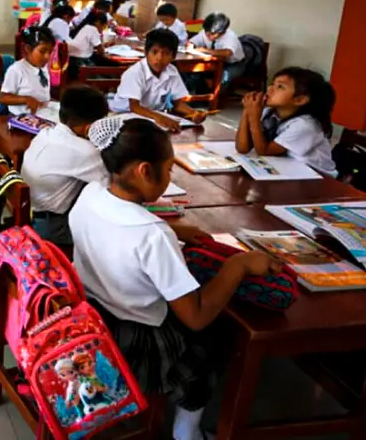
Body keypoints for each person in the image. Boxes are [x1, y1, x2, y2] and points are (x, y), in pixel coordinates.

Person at [71, 116, 281, 440]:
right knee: (217, 330)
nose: (169, 178)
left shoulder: (90, 194)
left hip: (96, 316)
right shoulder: (151, 236)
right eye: (168, 170)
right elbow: (195, 317)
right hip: (138, 342)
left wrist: (173, 229)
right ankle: (188, 429)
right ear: (144, 171)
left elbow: (121, 228)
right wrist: (237, 265)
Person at [20, 85, 109, 246]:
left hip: (32, 212)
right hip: (52, 228)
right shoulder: (85, 152)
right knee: (109, 235)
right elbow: (110, 184)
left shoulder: (46, 133)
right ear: (89, 127)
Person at [236, 67, 338, 176]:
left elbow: (264, 151)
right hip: (286, 168)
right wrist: (247, 111)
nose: (269, 89)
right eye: (272, 84)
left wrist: (254, 118)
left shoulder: (305, 125)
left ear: (299, 100)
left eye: (280, 87)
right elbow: (243, 148)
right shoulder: (269, 112)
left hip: (316, 177)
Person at [111, 28, 206, 132]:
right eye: (154, 52)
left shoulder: (172, 71)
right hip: (123, 116)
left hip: (150, 116)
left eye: (166, 53)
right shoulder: (135, 72)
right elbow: (134, 107)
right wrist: (159, 118)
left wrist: (193, 113)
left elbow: (177, 104)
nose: (159, 58)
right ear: (146, 53)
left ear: (173, 57)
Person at [0, 26, 55, 115]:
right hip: (21, 117)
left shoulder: (44, 68)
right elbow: (3, 98)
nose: (47, 56)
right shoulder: (16, 70)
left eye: (50, 52)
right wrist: (26, 99)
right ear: (28, 49)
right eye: (42, 51)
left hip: (42, 114)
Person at [187, 12, 245, 86]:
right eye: (206, 32)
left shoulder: (230, 36)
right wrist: (190, 47)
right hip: (214, 63)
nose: (207, 35)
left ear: (222, 32)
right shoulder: (205, 32)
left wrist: (206, 50)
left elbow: (228, 52)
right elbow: (192, 41)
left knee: (220, 79)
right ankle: (201, 94)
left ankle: (214, 96)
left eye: (212, 34)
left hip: (234, 64)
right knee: (195, 74)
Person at [67, 12, 113, 80]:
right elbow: (101, 51)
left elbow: (91, 45)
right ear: (98, 22)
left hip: (73, 61)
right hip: (80, 62)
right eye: (104, 26)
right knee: (105, 76)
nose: (103, 29)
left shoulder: (87, 27)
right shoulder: (93, 29)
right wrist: (104, 51)